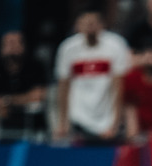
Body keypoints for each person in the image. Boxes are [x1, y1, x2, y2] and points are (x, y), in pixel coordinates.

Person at [54, 9, 131, 142]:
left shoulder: (116, 45)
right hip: (78, 117)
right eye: (85, 23)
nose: (89, 26)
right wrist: (62, 122)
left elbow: (119, 86)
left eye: (93, 22)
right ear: (77, 26)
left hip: (106, 119)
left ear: (102, 25)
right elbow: (63, 86)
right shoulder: (67, 48)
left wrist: (116, 121)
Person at [0, 31, 48, 138]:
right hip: (4, 129)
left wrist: (6, 101)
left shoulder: (35, 67)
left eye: (15, 43)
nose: (11, 48)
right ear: (1, 48)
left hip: (34, 127)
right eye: (8, 44)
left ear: (23, 46)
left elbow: (38, 96)